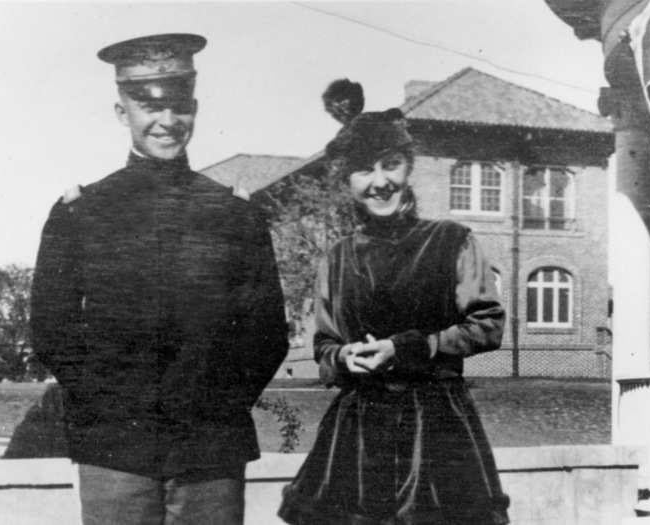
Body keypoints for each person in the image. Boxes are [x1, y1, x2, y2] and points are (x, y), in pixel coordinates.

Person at [31, 33, 288, 525]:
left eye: (179, 106)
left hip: (210, 450)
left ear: (195, 107)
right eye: (149, 106)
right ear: (121, 111)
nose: (167, 122)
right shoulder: (81, 213)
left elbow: (266, 334)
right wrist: (112, 410)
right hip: (115, 451)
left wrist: (215, 407)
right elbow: (52, 331)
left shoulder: (235, 214)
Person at [279, 108, 510, 525]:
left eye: (391, 165)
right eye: (364, 170)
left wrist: (408, 349)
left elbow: (488, 325)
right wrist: (344, 356)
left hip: (437, 429)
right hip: (356, 438)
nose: (380, 182)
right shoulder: (336, 259)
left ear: (408, 168)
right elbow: (324, 346)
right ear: (347, 179)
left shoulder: (451, 240)